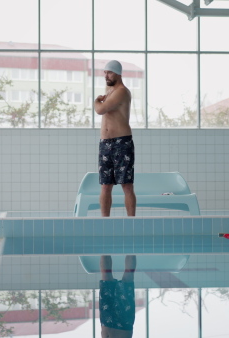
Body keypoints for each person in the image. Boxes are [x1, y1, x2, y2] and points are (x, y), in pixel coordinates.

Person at [94, 60, 136, 217]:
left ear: (118, 73)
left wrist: (96, 101)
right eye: (105, 72)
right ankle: (105, 222)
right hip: (105, 143)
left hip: (121, 142)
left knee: (126, 185)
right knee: (105, 185)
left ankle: (132, 222)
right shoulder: (110, 91)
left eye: (109, 72)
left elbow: (100, 110)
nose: (106, 75)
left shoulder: (122, 91)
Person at [99, 255, 137, 338]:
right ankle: (132, 246)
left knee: (106, 277)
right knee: (127, 278)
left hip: (109, 322)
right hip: (123, 324)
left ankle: (104, 246)